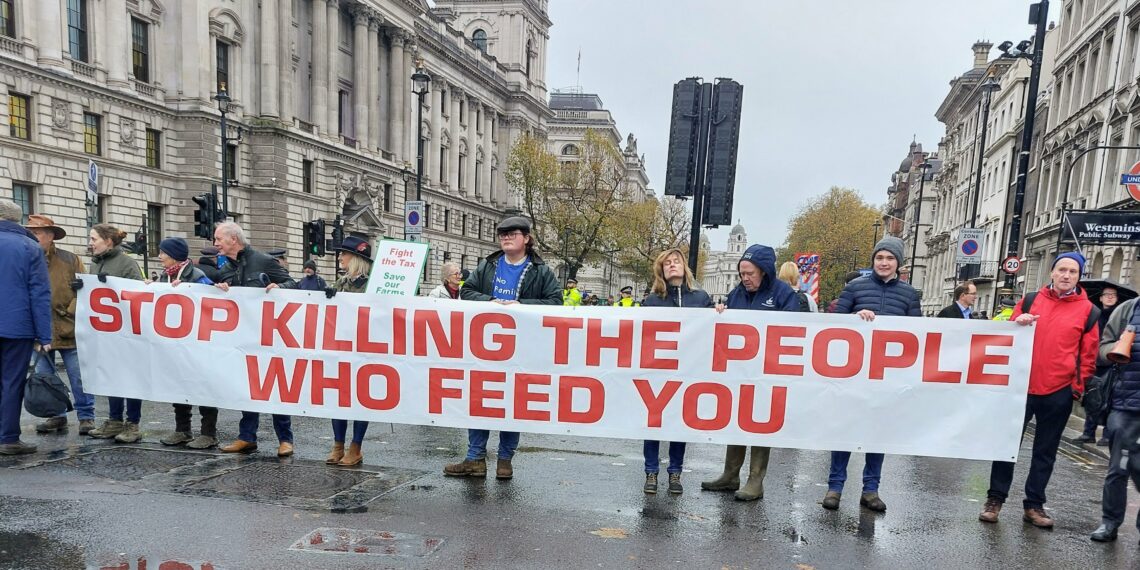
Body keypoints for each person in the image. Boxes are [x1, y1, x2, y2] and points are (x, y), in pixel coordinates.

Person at [979, 251, 1098, 529]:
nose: (1066, 276)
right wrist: (1016, 322)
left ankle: (1034, 505)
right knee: (1006, 446)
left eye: (1073, 272)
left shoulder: (1089, 311)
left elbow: (1088, 355)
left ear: (1079, 277)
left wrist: (1075, 389)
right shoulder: (1031, 300)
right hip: (1021, 387)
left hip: (1058, 390)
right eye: (1062, 270)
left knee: (1045, 452)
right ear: (1052, 273)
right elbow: (1005, 335)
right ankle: (995, 499)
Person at [445, 216, 560, 480]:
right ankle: (475, 458)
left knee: (513, 403)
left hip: (522, 350)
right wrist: (491, 301)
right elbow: (468, 291)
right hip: (486, 350)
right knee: (480, 401)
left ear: (526, 239)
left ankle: (505, 460)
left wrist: (520, 305)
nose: (506, 237)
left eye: (512, 233)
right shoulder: (488, 265)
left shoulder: (540, 271)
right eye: (502, 234)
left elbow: (555, 301)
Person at [823, 237, 920, 513]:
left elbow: (916, 336)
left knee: (878, 434)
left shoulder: (910, 295)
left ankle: (871, 489)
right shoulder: (854, 288)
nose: (884, 263)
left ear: (898, 263)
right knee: (843, 430)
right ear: (873, 260)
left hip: (886, 378)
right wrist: (855, 319)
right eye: (880, 258)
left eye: (890, 258)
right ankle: (835, 487)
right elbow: (833, 328)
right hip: (853, 375)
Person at [703, 245, 800, 501]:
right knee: (738, 419)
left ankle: (756, 479)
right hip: (740, 371)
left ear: (764, 271)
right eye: (742, 273)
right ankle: (730, 474)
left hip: (768, 372)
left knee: (759, 423)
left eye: (750, 273)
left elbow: (792, 330)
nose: (745, 278)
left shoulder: (783, 293)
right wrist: (720, 314)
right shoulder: (737, 293)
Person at [212, 221, 298, 457]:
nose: (216, 244)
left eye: (219, 239)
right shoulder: (226, 267)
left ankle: (285, 439)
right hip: (243, 339)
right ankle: (246, 437)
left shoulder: (263, 261)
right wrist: (219, 288)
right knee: (246, 387)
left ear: (233, 239)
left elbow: (295, 285)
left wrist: (279, 286)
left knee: (275, 386)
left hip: (270, 337)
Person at [637, 249, 714, 494]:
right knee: (653, 424)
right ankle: (651, 472)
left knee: (679, 424)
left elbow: (715, 328)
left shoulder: (701, 298)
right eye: (667, 263)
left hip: (688, 371)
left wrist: (721, 313)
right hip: (658, 371)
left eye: (676, 261)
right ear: (661, 270)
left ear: (684, 267)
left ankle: (675, 473)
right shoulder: (652, 301)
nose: (672, 265)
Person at [24, 215, 95, 436]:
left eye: (36, 233)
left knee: (79, 377)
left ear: (50, 235)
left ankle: (86, 416)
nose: (32, 237)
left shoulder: (70, 259)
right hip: (39, 332)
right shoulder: (25, 258)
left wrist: (69, 312)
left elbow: (86, 290)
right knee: (46, 380)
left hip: (68, 328)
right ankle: (57, 416)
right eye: (30, 233)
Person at [147, 237, 218, 449]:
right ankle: (183, 430)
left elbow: (210, 299)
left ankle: (208, 433)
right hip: (175, 343)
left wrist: (188, 289)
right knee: (178, 385)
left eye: (163, 253)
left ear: (175, 255)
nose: (159, 256)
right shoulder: (164, 277)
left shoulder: (197, 275)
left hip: (197, 344)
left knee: (203, 386)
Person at [85, 223, 147, 443]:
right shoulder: (95, 264)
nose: (90, 243)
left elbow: (139, 296)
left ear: (108, 241)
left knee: (130, 377)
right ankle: (114, 421)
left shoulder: (127, 263)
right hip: (105, 333)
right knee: (111, 375)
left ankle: (133, 424)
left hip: (127, 333)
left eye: (94, 239)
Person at [0, 199, 52, 455]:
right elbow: (39, 293)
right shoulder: (29, 247)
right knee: (11, 382)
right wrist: (44, 334)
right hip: (16, 325)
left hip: (14, 323)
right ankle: (7, 437)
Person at [1090, 292, 1140, 542]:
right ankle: (1110, 523)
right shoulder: (1128, 310)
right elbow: (1101, 349)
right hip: (1125, 404)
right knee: (1119, 466)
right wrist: (1118, 347)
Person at [326, 237, 374, 467]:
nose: (339, 258)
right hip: (342, 348)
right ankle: (338, 445)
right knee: (339, 397)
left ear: (355, 259)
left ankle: (356, 447)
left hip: (366, 349)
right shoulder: (340, 283)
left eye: (343, 254)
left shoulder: (373, 284)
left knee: (361, 399)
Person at [1078, 286, 1120, 445]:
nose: (1110, 297)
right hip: (1094, 362)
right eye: (1107, 295)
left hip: (1111, 364)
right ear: (1101, 298)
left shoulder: (1119, 316)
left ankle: (1107, 435)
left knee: (1109, 400)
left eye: (1113, 295)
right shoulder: (1094, 315)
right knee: (1092, 398)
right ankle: (1088, 433)